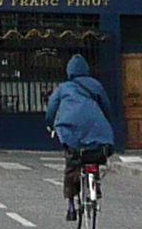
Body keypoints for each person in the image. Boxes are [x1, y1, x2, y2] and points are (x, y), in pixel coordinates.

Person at [44, 53, 117, 219]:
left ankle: (70, 206)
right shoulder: (96, 85)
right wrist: (107, 122)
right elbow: (106, 106)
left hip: (71, 130)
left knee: (72, 165)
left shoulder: (64, 88)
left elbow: (51, 108)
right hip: (95, 128)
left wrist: (50, 124)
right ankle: (94, 186)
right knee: (93, 155)